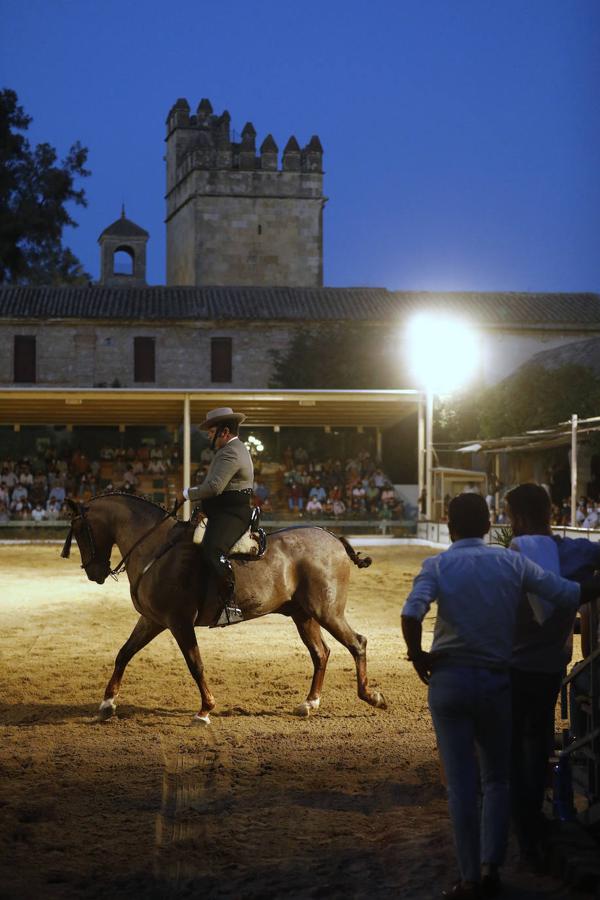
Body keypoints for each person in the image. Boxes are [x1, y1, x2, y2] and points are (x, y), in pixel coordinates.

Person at [401, 493, 599, 899]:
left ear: (449, 526)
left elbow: (411, 614)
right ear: (489, 525)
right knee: (497, 779)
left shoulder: (437, 565)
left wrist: (418, 655)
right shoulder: (511, 561)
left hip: (449, 680)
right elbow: (568, 595)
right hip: (495, 679)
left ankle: (469, 876)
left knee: (462, 786)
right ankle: (493, 868)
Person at [504, 483, 600, 868]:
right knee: (539, 741)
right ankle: (536, 825)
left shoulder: (512, 557)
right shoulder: (576, 551)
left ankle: (526, 830)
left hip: (514, 665)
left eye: (511, 518)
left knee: (513, 750)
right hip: (550, 667)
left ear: (521, 518)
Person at [180, 407, 253, 628]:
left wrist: (186, 494)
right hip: (221, 510)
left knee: (213, 550)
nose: (209, 436)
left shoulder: (231, 451)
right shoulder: (228, 450)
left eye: (211, 432)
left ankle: (231, 605)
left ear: (224, 431)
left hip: (232, 513)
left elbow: (213, 487)